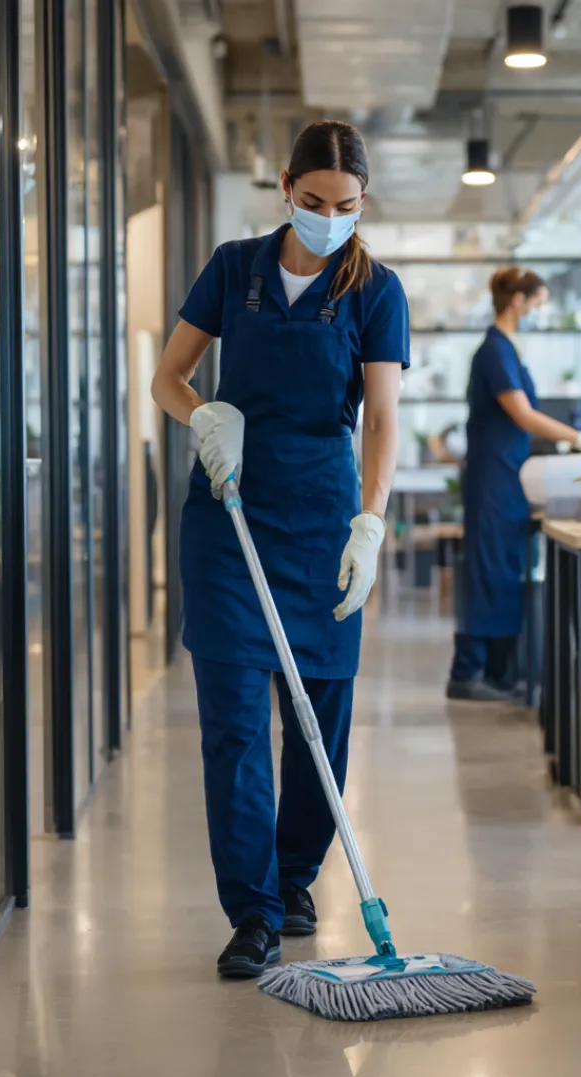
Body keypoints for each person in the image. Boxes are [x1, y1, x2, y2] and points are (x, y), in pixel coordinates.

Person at [151, 120, 408, 979]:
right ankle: (253, 912)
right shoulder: (234, 269)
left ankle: (296, 876)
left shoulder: (377, 290)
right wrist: (204, 417)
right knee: (233, 727)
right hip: (228, 518)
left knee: (318, 722)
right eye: (313, 202)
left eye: (347, 206)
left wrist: (369, 526)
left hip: (324, 519)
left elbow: (381, 421)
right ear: (285, 186)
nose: (330, 218)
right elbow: (169, 376)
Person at [447, 268, 581, 702]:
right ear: (517, 300)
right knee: (488, 569)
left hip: (508, 475)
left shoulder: (508, 349)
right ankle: (467, 672)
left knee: (505, 571)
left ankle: (498, 673)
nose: (539, 310)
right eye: (537, 301)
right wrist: (578, 437)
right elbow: (524, 415)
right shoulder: (493, 352)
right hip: (492, 477)